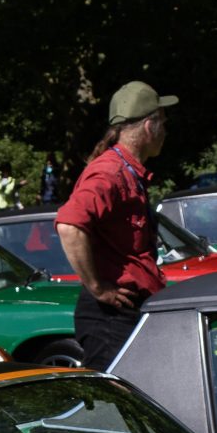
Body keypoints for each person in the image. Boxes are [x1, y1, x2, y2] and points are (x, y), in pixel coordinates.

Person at [54, 81, 177, 367]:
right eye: (163, 123)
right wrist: (98, 288)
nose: (165, 132)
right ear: (149, 126)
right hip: (109, 319)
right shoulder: (110, 172)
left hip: (123, 313)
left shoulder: (126, 171)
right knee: (117, 407)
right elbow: (69, 225)